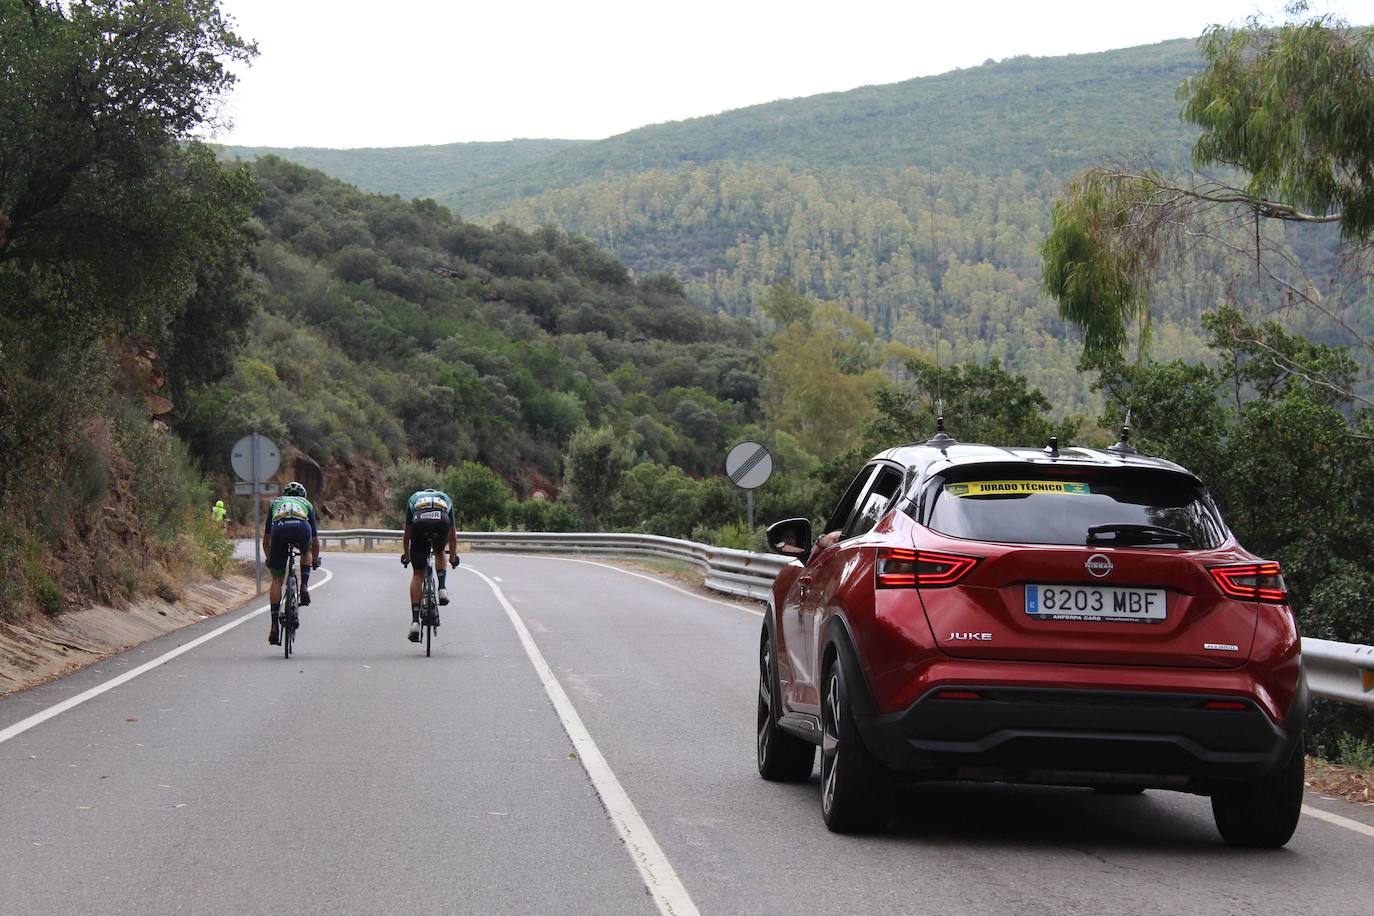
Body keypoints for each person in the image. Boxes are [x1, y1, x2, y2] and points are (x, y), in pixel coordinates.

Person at [262, 481, 321, 646]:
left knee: (277, 580)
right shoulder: (306, 504)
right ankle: (304, 586)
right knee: (305, 551)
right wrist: (314, 560)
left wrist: (270, 559)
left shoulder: (276, 503)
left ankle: (274, 625)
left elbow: (266, 540)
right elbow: (315, 541)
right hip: (301, 527)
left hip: (279, 529)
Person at [400, 487, 459, 642]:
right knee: (439, 551)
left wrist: (407, 556)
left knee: (418, 574)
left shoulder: (414, 498)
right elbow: (453, 536)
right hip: (441, 522)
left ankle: (414, 622)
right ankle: (442, 589)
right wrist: (452, 557)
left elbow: (407, 536)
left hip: (419, 524)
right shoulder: (445, 497)